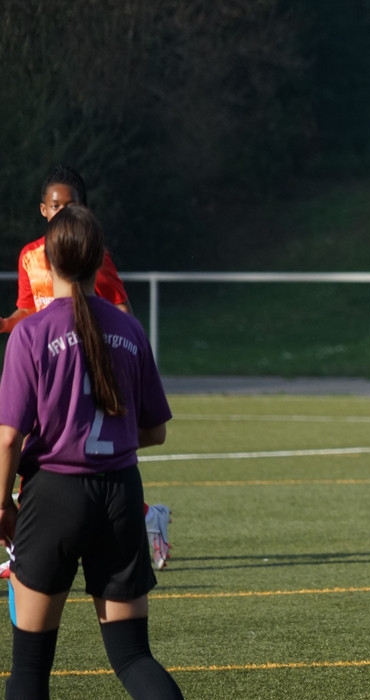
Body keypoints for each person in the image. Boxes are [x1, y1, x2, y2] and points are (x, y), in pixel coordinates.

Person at [0, 204, 183, 699]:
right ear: (100, 259)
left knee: (30, 670)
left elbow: (9, 438)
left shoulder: (32, 333)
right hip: (120, 494)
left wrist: (1, 506)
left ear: (48, 262)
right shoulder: (130, 330)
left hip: (54, 496)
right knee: (133, 657)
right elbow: (155, 431)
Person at [0, 165, 172, 578]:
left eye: (70, 205)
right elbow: (28, 310)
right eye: (55, 205)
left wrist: (114, 349)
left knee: (46, 450)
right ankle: (26, 548)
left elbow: (120, 310)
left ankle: (25, 553)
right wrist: (6, 324)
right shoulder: (29, 256)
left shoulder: (94, 257)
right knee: (47, 450)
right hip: (45, 359)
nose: (62, 212)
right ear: (43, 209)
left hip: (80, 358)